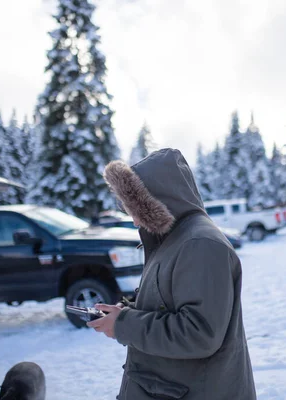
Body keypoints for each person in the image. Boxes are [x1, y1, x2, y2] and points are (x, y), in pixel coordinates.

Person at [89, 148, 257, 400]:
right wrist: (125, 311)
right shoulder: (174, 239)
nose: (134, 220)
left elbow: (199, 334)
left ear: (158, 201)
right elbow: (167, 300)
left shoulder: (200, 244)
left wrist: (125, 325)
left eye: (136, 207)